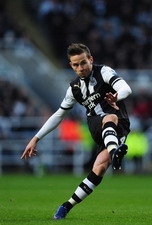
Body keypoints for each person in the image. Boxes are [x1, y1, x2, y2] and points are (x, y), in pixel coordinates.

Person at [21, 43, 132, 219]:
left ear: (91, 60)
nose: (80, 68)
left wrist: (117, 96)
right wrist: (36, 138)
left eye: (83, 63)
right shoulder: (74, 89)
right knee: (109, 118)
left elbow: (126, 88)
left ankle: (66, 206)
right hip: (97, 124)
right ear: (71, 66)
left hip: (121, 126)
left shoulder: (104, 72)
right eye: (75, 65)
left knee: (100, 167)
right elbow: (58, 115)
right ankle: (115, 151)